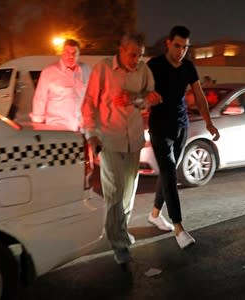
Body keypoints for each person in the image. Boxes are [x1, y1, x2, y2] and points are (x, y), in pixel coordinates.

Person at [82, 32, 161, 265]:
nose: (136, 59)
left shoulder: (143, 70)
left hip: (134, 140)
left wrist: (137, 97)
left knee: (128, 192)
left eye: (140, 55)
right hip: (109, 139)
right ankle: (118, 243)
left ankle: (121, 231)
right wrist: (91, 136)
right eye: (133, 54)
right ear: (121, 49)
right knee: (115, 191)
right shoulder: (103, 69)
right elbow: (88, 103)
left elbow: (149, 98)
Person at [147, 25, 220, 249]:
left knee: (170, 172)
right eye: (177, 46)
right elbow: (139, 90)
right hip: (159, 126)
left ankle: (155, 214)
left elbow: (198, 95)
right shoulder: (154, 65)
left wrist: (208, 121)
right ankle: (179, 228)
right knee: (169, 172)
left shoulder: (188, 67)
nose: (181, 51)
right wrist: (146, 94)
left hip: (181, 126)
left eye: (185, 47)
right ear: (169, 43)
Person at [31, 39, 91, 131]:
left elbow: (91, 95)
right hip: (58, 125)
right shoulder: (49, 71)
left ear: (79, 54)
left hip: (80, 125)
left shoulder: (86, 70)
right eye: (67, 52)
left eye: (74, 52)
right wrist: (38, 121)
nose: (71, 55)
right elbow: (40, 97)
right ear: (62, 53)